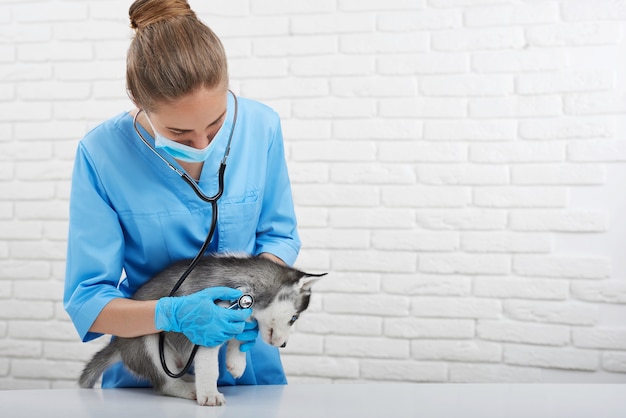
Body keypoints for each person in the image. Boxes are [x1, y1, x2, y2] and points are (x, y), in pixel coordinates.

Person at [63, 0, 300, 388]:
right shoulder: (101, 154)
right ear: (138, 102)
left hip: (248, 363)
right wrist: (171, 314)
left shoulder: (261, 126)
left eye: (216, 123)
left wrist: (251, 300)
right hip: (154, 363)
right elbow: (88, 300)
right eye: (179, 134)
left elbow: (278, 235)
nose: (203, 142)